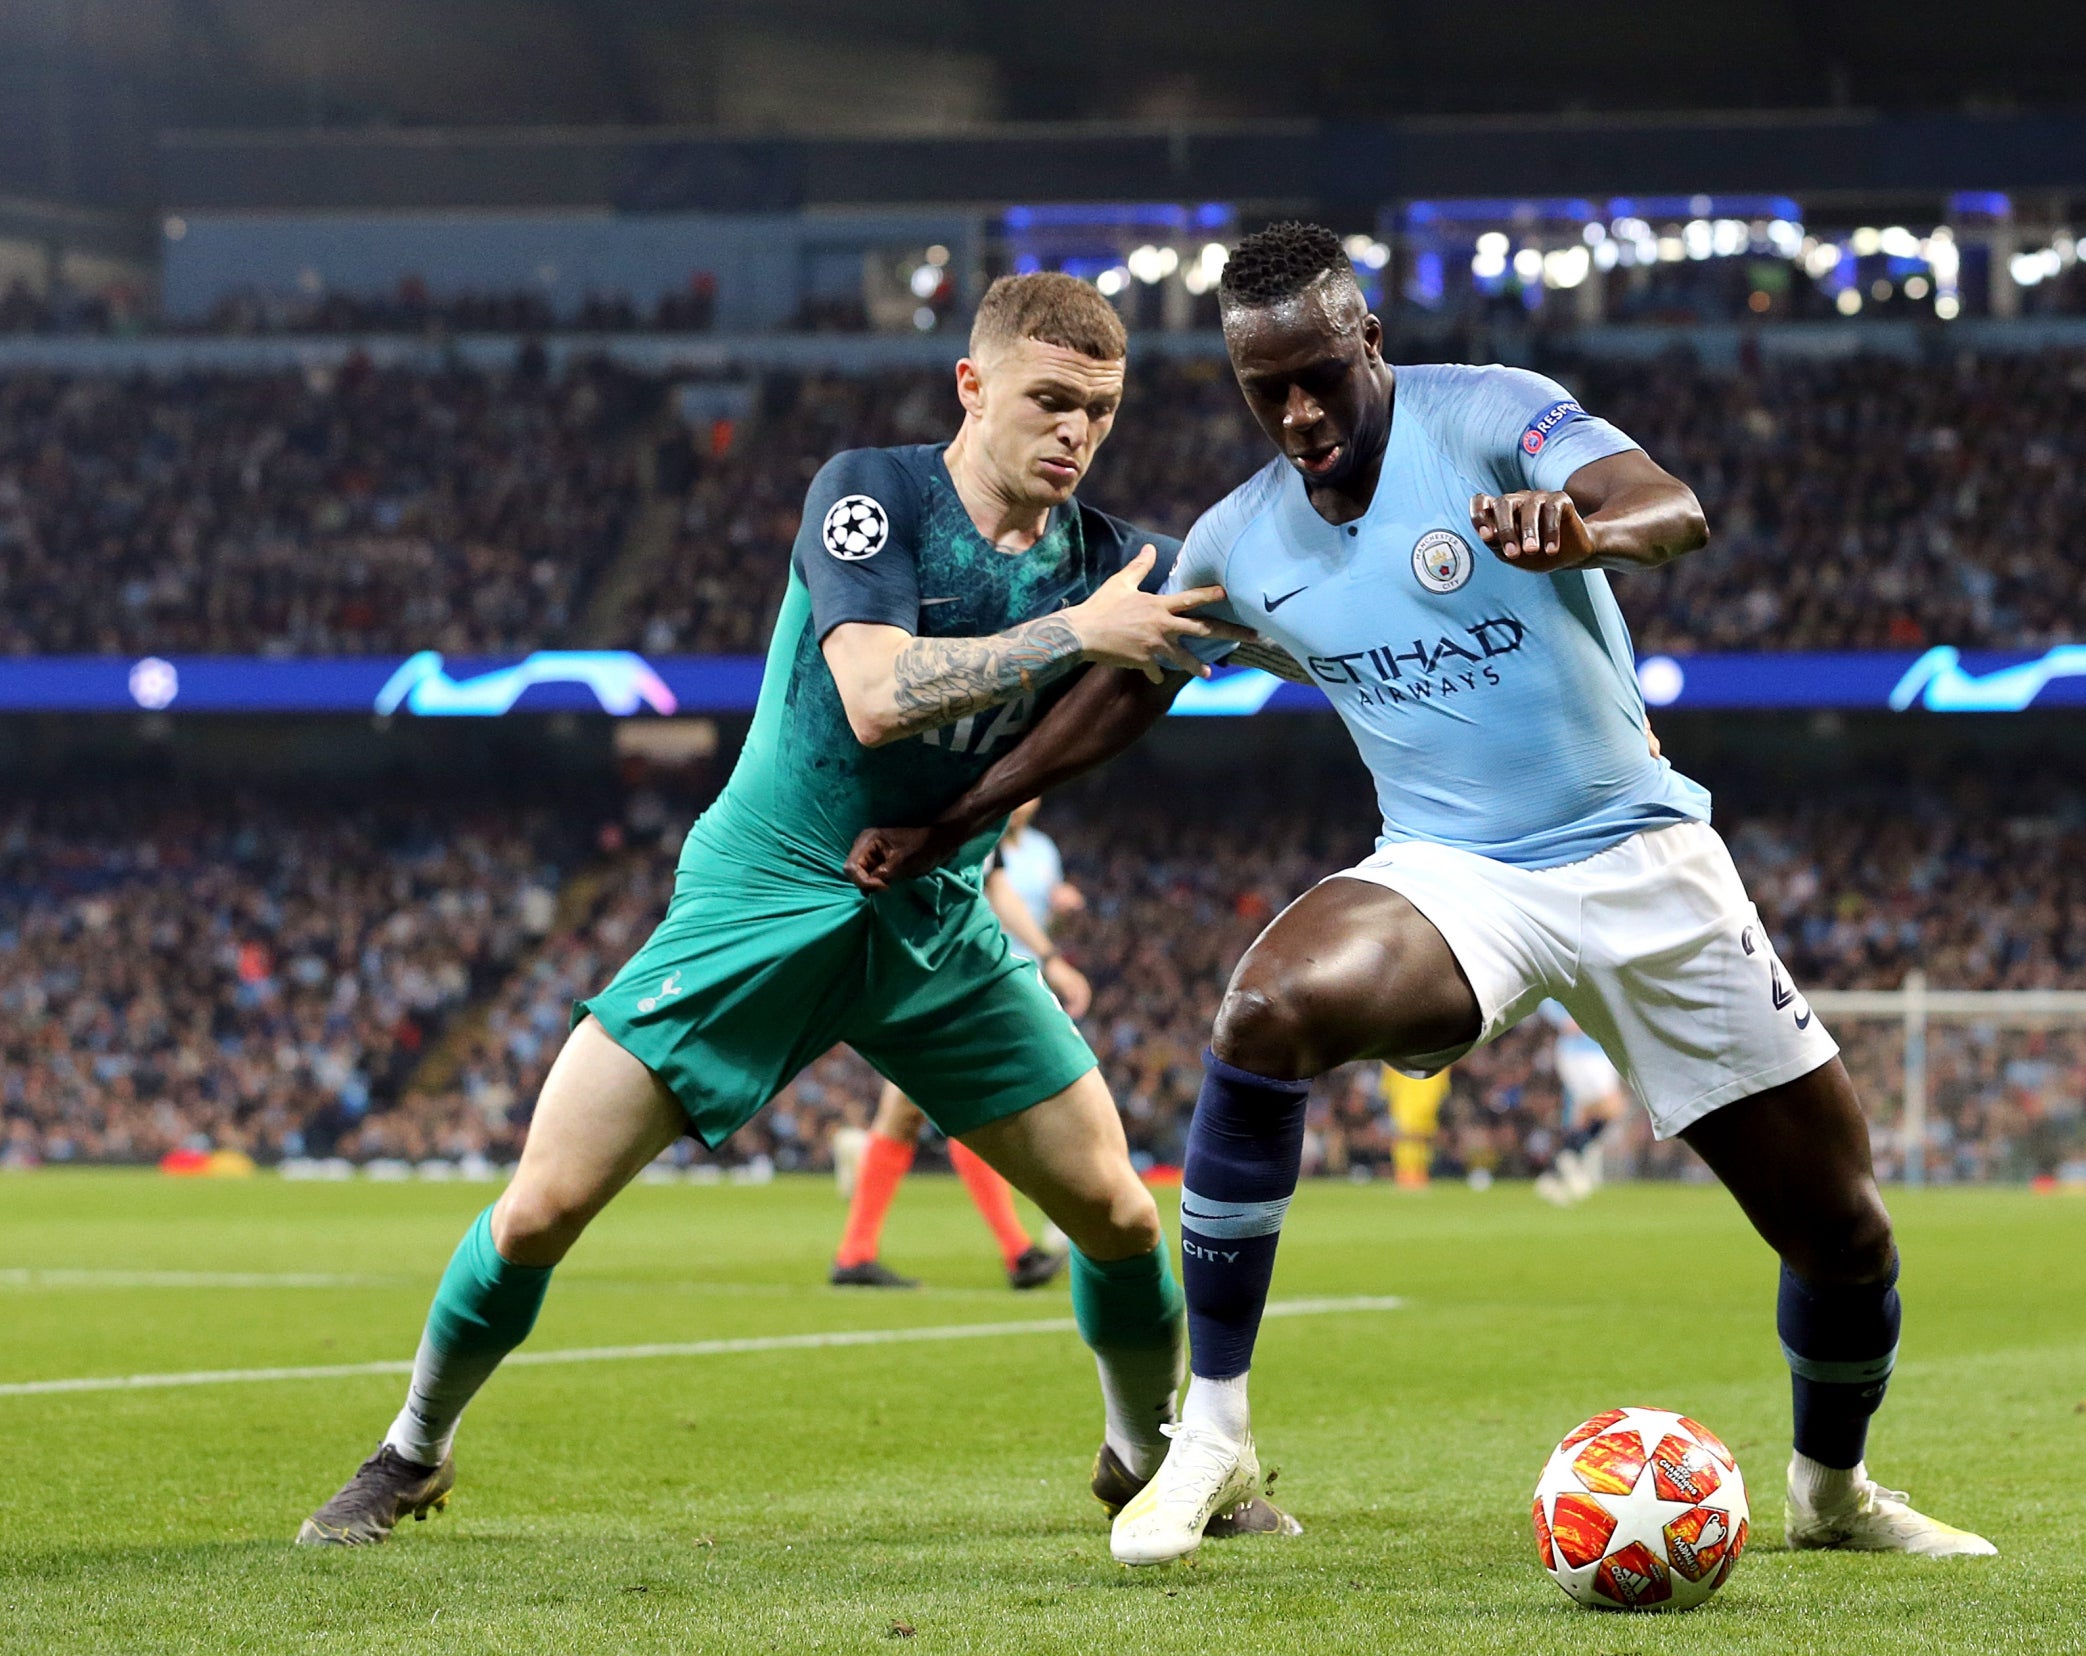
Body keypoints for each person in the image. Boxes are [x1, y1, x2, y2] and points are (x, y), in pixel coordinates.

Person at [846, 222, 1996, 1567]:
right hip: (1454, 876)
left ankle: (1832, 1492)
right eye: (1264, 388)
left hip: (1642, 862)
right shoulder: (1244, 535)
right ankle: (1209, 1436)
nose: (1298, 412)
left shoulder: (1493, 416)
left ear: (1369, 344)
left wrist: (1580, 530)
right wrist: (964, 817)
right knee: (1266, 1006)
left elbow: (1671, 508)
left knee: (1844, 1235)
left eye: (1321, 376)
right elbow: (1123, 689)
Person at [297, 272, 1293, 1548]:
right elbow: (875, 698)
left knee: (1115, 1210)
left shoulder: (1110, 559)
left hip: (934, 917)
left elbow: (1257, 623)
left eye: (1099, 411)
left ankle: (1138, 1455)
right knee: (542, 1205)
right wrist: (1075, 632)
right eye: (1049, 400)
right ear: (972, 386)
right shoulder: (872, 495)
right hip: (763, 892)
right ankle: (412, 1449)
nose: (1076, 434)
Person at [832, 807, 1087, 1290]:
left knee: (909, 1112)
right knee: (970, 1104)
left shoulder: (996, 830)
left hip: (948, 969)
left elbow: (995, 889)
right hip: (936, 967)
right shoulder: (960, 801)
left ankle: (856, 1254)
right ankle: (1021, 1251)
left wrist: (1051, 957)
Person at [1533, 1001, 1628, 1208]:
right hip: (1582, 1052)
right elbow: (1544, 998)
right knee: (1614, 1108)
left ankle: (1554, 1175)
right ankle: (1570, 1157)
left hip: (1599, 1051)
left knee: (1582, 1116)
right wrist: (1564, 1020)